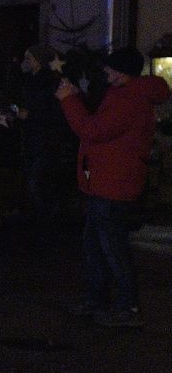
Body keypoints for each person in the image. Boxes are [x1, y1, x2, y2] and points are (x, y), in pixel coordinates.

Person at [56, 46, 169, 328]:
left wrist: (70, 101)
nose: (105, 72)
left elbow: (92, 130)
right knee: (96, 244)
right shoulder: (127, 96)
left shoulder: (127, 100)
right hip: (107, 182)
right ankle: (98, 300)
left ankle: (126, 307)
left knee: (111, 247)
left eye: (109, 68)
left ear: (121, 73)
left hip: (112, 184)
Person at [15, 44, 69, 220]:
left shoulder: (50, 82)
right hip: (31, 137)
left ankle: (45, 217)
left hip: (45, 139)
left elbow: (54, 110)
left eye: (29, 58)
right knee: (32, 177)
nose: (26, 61)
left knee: (39, 181)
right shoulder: (28, 80)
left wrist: (31, 115)